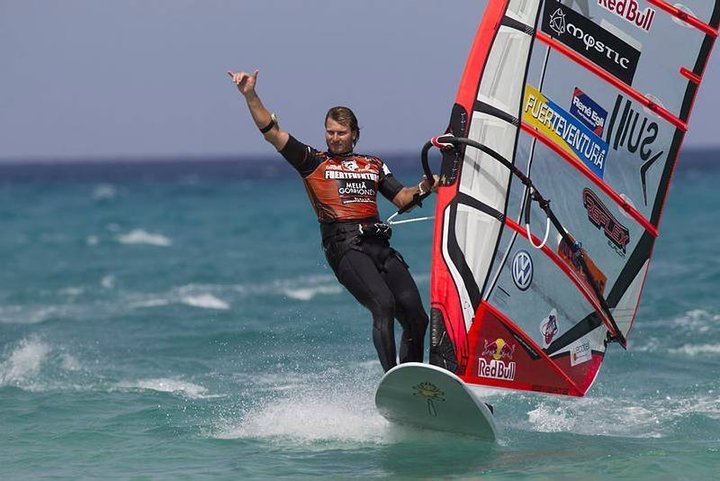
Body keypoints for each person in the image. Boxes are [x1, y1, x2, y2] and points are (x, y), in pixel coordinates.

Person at [228, 69, 434, 372]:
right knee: (384, 305)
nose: (334, 138)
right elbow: (272, 131)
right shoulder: (313, 161)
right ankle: (393, 378)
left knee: (417, 317)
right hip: (346, 248)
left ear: (354, 134)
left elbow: (403, 198)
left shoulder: (372, 164)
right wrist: (250, 94)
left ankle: (413, 382)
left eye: (341, 133)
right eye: (330, 132)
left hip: (379, 245)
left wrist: (428, 185)